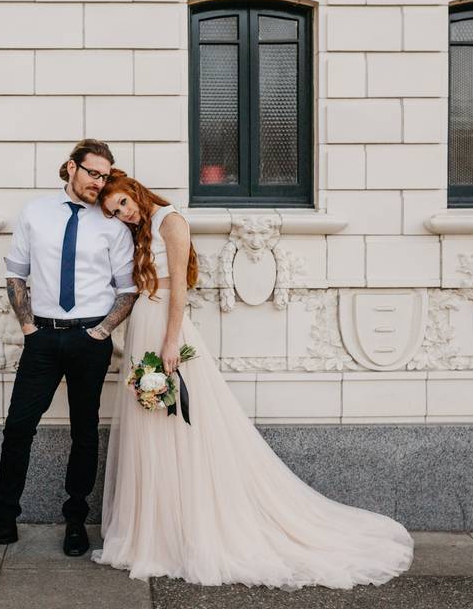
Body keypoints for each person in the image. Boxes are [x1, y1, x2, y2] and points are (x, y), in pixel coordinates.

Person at [91, 170, 414, 589]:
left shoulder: (170, 221)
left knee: (178, 425)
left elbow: (180, 290)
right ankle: (152, 532)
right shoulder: (139, 230)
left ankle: (184, 531)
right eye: (114, 211)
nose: (123, 213)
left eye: (122, 203)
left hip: (165, 329)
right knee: (150, 425)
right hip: (143, 326)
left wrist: (171, 342)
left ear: (134, 191)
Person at [0, 140, 137, 557]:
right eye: (94, 173)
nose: (100, 182)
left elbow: (127, 290)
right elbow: (16, 275)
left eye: (106, 176)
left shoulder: (112, 224)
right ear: (71, 167)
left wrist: (102, 331)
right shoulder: (35, 213)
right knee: (18, 427)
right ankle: (3, 520)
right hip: (43, 339)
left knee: (85, 433)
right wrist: (28, 327)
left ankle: (75, 520)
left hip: (90, 340)